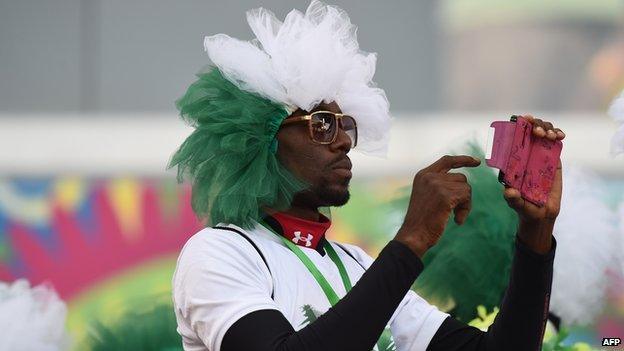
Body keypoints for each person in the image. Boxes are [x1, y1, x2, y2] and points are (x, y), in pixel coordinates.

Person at [170, 2, 565, 350]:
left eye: (344, 125)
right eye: (321, 124)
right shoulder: (219, 253)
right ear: (260, 140)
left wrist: (535, 234)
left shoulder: (355, 263)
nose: (342, 140)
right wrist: (411, 239)